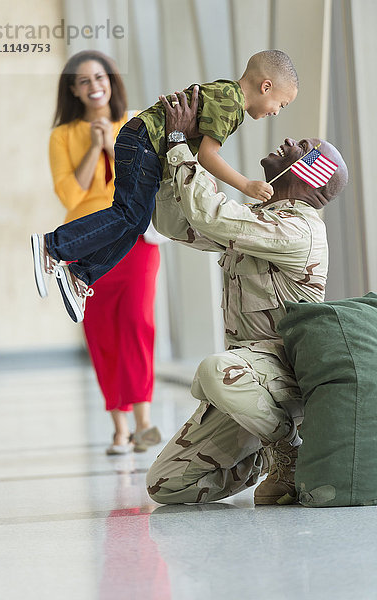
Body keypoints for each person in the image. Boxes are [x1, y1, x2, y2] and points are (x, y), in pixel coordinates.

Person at [145, 90, 348, 505]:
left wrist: (180, 145)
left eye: (305, 148)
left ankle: (287, 450)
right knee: (165, 486)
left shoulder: (300, 231)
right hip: (247, 381)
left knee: (212, 371)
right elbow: (173, 222)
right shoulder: (263, 222)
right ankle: (261, 445)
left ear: (311, 175)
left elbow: (211, 214)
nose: (291, 142)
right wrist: (164, 156)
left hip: (278, 374)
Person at [31, 50, 298, 323]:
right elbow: (208, 154)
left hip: (140, 142)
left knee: (135, 222)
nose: (276, 112)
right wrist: (246, 185)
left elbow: (200, 153)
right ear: (266, 86)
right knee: (127, 214)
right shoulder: (232, 104)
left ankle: (80, 275)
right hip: (143, 144)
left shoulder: (226, 94)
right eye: (282, 104)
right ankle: (52, 246)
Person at [46, 50, 162, 454]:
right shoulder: (62, 136)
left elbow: (144, 182)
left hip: (134, 241)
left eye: (100, 77)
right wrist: (93, 149)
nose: (94, 86)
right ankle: (119, 426)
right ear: (74, 91)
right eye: (84, 81)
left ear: (111, 81)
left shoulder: (134, 124)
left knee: (136, 323)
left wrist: (113, 147)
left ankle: (144, 422)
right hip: (87, 243)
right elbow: (70, 193)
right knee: (101, 334)